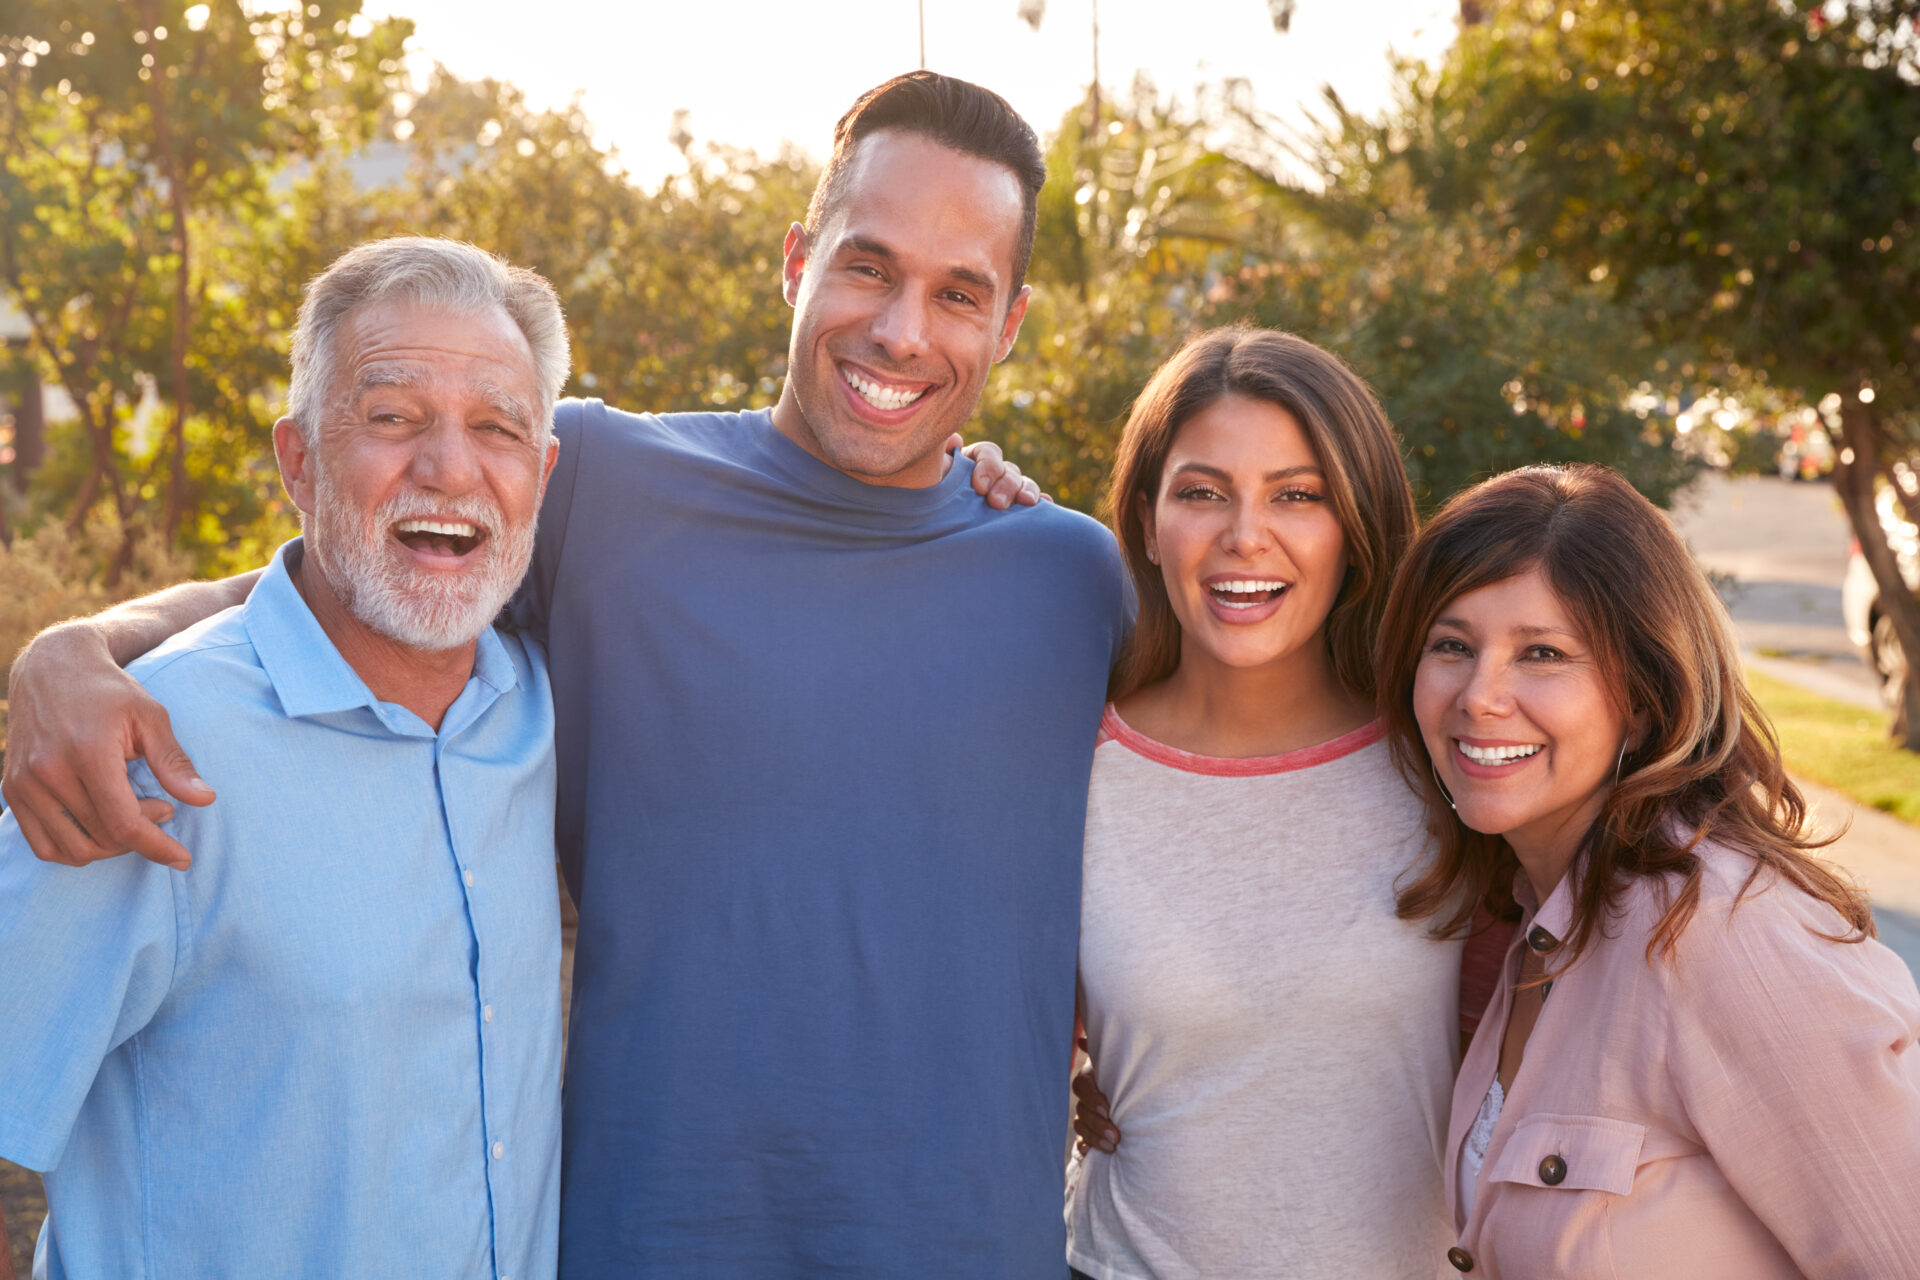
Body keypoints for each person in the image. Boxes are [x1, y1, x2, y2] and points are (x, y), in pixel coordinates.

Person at [2, 73, 1125, 1277]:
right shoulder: (598, 481)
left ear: (1007, 324)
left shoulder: (1069, 577)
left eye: (959, 293)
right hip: (647, 1245)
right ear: (797, 261)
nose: (903, 330)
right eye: (868, 265)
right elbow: (345, 570)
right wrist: (74, 650)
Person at [0, 238, 570, 1278]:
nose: (449, 466)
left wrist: (967, 472)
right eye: (393, 417)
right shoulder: (149, 746)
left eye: (496, 428)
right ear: (298, 458)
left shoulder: (545, 711)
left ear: (542, 472)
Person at [1376, 463, 1920, 1277]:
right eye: (1452, 645)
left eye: (1543, 653)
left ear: (1641, 695)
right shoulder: (1540, 918)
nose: (1480, 696)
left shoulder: (1725, 935)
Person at [1062, 326, 1460, 1279]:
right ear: (1149, 523)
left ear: (1354, 526)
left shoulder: (1451, 758)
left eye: (1298, 494)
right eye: (1202, 492)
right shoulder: (1063, 768)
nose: (1246, 535)